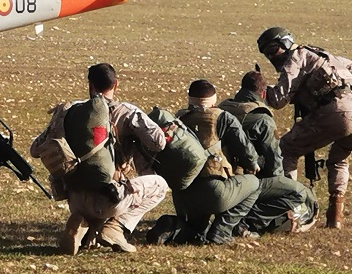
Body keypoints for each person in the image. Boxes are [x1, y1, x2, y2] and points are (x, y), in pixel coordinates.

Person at [31, 63, 168, 254]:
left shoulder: (70, 111)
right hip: (109, 197)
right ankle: (116, 228)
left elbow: (35, 149)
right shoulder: (127, 112)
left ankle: (81, 224)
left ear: (90, 85)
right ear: (115, 84)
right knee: (159, 185)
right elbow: (158, 143)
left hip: (74, 196)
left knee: (96, 204)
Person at [257, 27, 352, 229]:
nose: (271, 57)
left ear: (286, 44)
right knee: (339, 159)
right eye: (267, 53)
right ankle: (335, 216)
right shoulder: (324, 55)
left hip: (337, 112)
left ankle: (290, 208)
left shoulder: (296, 57)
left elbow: (278, 100)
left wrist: (260, 88)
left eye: (273, 49)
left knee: (286, 149)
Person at [219, 70, 317, 235]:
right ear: (263, 93)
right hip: (245, 182)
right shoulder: (261, 119)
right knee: (301, 195)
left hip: (218, 178)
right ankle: (248, 221)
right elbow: (274, 162)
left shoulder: (222, 109)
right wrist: (281, 186)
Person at [171, 79, 261, 245]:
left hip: (183, 196)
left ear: (189, 98)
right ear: (214, 99)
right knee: (255, 184)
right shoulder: (223, 117)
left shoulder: (177, 119)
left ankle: (196, 230)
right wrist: (253, 164)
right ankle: (222, 230)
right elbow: (246, 152)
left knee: (197, 227)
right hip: (212, 192)